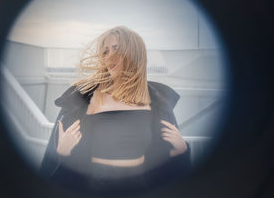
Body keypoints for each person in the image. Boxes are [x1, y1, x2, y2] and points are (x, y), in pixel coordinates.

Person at [40, 26, 191, 196]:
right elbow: (56, 164)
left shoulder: (156, 100)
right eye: (105, 52)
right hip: (95, 186)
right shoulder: (81, 99)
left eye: (117, 49)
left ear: (134, 53)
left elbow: (169, 164)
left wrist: (182, 150)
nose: (110, 56)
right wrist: (63, 152)